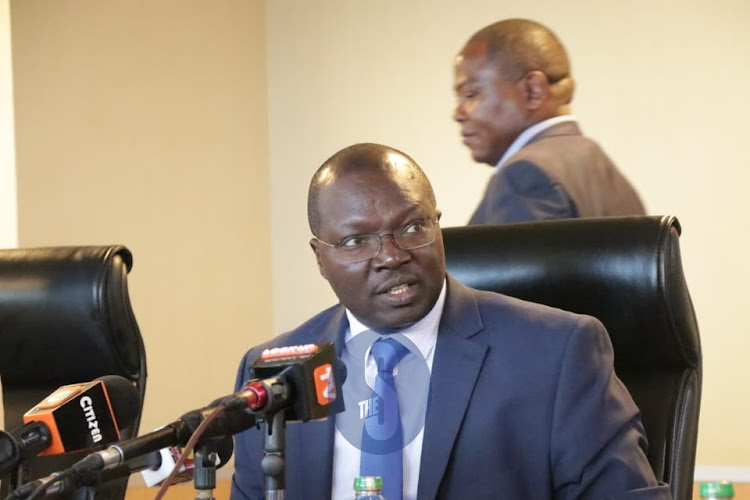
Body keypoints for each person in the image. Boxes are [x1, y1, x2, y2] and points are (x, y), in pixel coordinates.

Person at [230, 143, 669, 499]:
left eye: (412, 227)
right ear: (320, 257)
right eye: (356, 240)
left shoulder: (558, 352)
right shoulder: (271, 373)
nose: (391, 256)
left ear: (438, 226)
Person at [453, 18, 646, 224]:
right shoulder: (596, 162)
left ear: (533, 91)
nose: (458, 113)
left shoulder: (524, 177)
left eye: (470, 94)